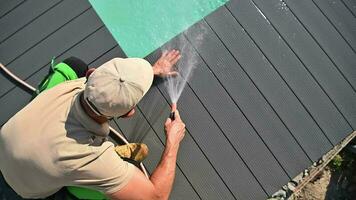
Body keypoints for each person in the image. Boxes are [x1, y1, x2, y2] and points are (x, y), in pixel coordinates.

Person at [0, 50, 185, 200]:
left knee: (73, 65)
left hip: (8, 149)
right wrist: (173, 141)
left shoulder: (74, 85)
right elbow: (156, 197)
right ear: (128, 113)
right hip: (19, 192)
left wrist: (149, 71)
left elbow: (110, 84)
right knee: (106, 186)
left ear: (92, 73)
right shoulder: (89, 157)